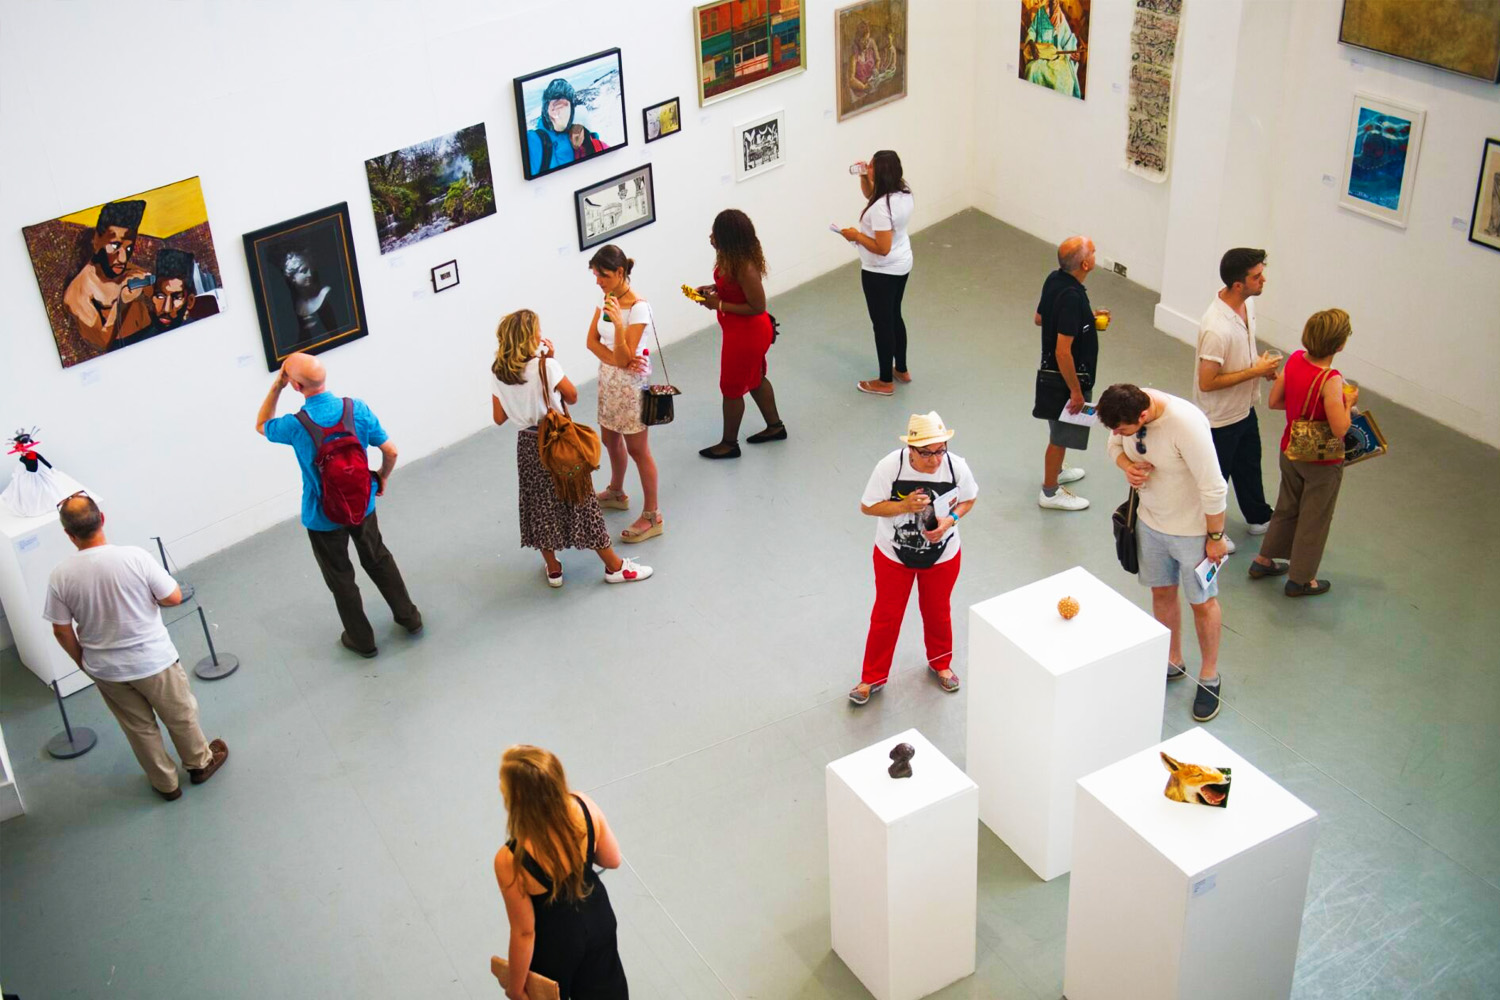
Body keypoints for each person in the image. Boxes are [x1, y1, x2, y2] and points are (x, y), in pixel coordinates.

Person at [43, 494, 229, 801]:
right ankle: (200, 763)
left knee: (139, 729)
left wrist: (83, 662)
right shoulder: (134, 557)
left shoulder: (60, 576)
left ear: (68, 534)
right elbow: (172, 597)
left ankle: (166, 784)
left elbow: (60, 629)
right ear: (102, 519)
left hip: (106, 670)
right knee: (180, 715)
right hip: (153, 661)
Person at [256, 352, 423, 657]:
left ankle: (363, 640)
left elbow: (262, 425)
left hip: (322, 515)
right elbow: (392, 451)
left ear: (295, 386)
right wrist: (381, 478)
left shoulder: (295, 425)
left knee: (341, 577)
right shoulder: (355, 408)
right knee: (378, 558)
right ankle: (409, 617)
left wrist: (276, 387)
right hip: (362, 503)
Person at [490, 309, 652, 586]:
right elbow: (573, 397)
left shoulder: (498, 372)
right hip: (558, 440)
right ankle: (614, 567)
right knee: (581, 500)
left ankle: (553, 568)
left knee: (538, 505)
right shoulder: (546, 367)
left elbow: (499, 417)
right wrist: (550, 364)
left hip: (528, 446)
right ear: (530, 336)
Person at [1098, 383, 1230, 723]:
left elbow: (1214, 486)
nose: (1118, 433)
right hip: (1150, 523)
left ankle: (1210, 676)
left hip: (1193, 533)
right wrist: (1126, 463)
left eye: (1124, 428)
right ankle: (1172, 660)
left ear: (1143, 415)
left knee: (1202, 603)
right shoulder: (1126, 408)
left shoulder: (1186, 425)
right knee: (1162, 592)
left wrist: (1215, 537)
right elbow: (1113, 443)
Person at [850, 411, 977, 705]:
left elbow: (970, 498)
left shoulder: (956, 467)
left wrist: (951, 520)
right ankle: (872, 677)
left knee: (937, 611)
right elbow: (868, 507)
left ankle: (941, 663)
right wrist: (903, 505)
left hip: (942, 556)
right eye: (927, 453)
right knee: (886, 615)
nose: (934, 460)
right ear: (911, 450)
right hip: (893, 555)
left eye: (940, 450)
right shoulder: (889, 467)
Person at [494, 745, 628, 1000]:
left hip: (556, 943)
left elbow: (524, 932)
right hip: (598, 918)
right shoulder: (584, 805)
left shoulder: (511, 858)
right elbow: (613, 859)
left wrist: (515, 986)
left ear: (517, 797)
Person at [1248, 309, 1358, 597]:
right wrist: (1349, 404)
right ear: (1339, 345)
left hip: (1291, 450)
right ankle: (1301, 578)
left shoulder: (1296, 358)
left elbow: (1275, 401)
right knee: (1315, 517)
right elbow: (1339, 428)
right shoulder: (1331, 379)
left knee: (1286, 506)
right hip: (1321, 462)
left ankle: (1264, 559)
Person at [1195, 248, 1281, 554]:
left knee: (1248, 464)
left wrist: (1259, 366)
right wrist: (1253, 371)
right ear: (1237, 285)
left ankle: (1258, 516)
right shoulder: (1216, 328)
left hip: (1244, 408)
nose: (1263, 280)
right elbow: (1207, 382)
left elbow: (1243, 350)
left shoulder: (1248, 306)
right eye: (1257, 276)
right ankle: (1209, 533)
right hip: (1220, 418)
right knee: (1216, 480)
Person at [585, 245, 663, 543]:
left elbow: (625, 354)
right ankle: (617, 491)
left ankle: (652, 515)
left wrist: (618, 325)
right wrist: (616, 357)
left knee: (638, 450)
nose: (598, 281)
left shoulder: (639, 307)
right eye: (595, 275)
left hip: (631, 388)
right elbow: (591, 342)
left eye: (602, 275)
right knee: (609, 439)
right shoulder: (606, 299)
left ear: (620, 273)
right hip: (609, 382)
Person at [694, 210, 786, 459]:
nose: (710, 237)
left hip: (748, 334)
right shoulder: (729, 257)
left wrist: (719, 305)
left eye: (716, 233)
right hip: (739, 331)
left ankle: (729, 444)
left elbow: (758, 306)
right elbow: (732, 288)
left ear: (729, 238)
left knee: (731, 388)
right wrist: (714, 289)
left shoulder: (745, 267)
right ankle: (775, 427)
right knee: (755, 378)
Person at [1033, 235, 1100, 511]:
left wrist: (1086, 321)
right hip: (1065, 378)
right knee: (1059, 436)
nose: (1096, 254)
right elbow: (1063, 352)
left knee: (1056, 427)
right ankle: (1050, 492)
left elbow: (1039, 318)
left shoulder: (1054, 279)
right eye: (1094, 252)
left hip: (1049, 376)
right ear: (1085, 263)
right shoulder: (1072, 297)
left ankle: (1057, 471)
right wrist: (1075, 391)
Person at [840, 150, 915, 396]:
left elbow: (882, 248)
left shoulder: (882, 209)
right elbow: (873, 195)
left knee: (882, 324)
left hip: (881, 271)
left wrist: (856, 236)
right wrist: (863, 177)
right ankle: (901, 369)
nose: (868, 167)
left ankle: (885, 381)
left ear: (881, 172)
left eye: (871, 167)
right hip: (902, 263)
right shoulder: (902, 193)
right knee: (895, 316)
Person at [62, 199, 151, 350]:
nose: (122, 258)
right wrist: (122, 302)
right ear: (97, 240)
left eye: (128, 248)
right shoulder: (77, 294)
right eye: (115, 245)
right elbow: (102, 343)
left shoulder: (127, 269)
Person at [526, 78, 608, 177]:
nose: (556, 111)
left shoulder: (581, 139)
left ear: (572, 111)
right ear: (546, 109)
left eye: (563, 105)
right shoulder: (534, 141)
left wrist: (587, 144)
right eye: (553, 105)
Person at [1022, 0, 1083, 98]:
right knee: (1032, 69)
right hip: (1040, 56)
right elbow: (1032, 30)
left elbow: (1068, 40)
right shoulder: (1040, 13)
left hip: (1058, 58)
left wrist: (1074, 53)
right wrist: (1031, 43)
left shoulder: (1061, 17)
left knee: (1066, 78)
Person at [280, 247, 340, 339]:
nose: (309, 274)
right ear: (293, 278)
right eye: (303, 271)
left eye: (309, 269)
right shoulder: (294, 304)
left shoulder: (324, 293)